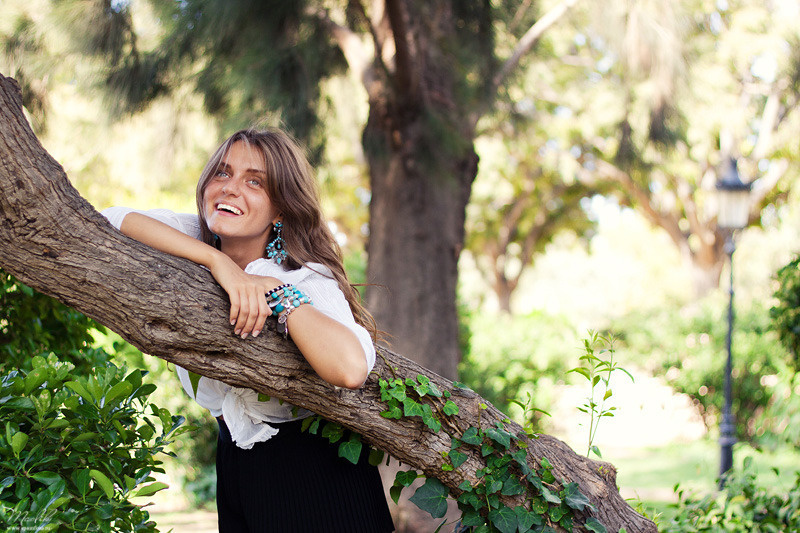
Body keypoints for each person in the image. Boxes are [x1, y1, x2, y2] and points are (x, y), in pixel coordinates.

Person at [102, 128, 395, 532]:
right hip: (236, 466)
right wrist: (219, 264)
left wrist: (277, 292)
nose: (230, 189)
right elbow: (109, 221)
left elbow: (349, 368)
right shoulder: (196, 239)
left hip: (318, 479)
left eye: (254, 181)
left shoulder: (306, 277)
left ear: (279, 210)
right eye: (221, 173)